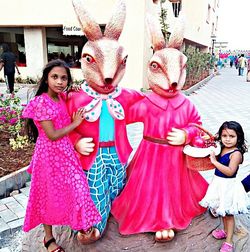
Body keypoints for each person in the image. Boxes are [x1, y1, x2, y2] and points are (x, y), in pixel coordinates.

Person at [22, 59, 101, 252]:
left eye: (64, 78)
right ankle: (48, 239)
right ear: (46, 79)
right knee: (46, 195)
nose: (59, 81)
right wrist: (75, 123)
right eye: (55, 77)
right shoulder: (41, 102)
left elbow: (71, 94)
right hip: (48, 156)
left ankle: (81, 222)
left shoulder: (62, 97)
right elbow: (52, 135)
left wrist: (73, 90)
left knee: (78, 185)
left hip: (65, 153)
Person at [200, 121, 249, 252]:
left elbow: (230, 171)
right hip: (219, 184)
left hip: (229, 186)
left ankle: (229, 242)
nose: (227, 139)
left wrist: (214, 162)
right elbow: (214, 136)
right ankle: (226, 231)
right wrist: (209, 137)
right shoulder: (222, 145)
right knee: (221, 209)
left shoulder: (236, 153)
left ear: (238, 137)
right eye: (224, 136)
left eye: (232, 136)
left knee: (229, 215)